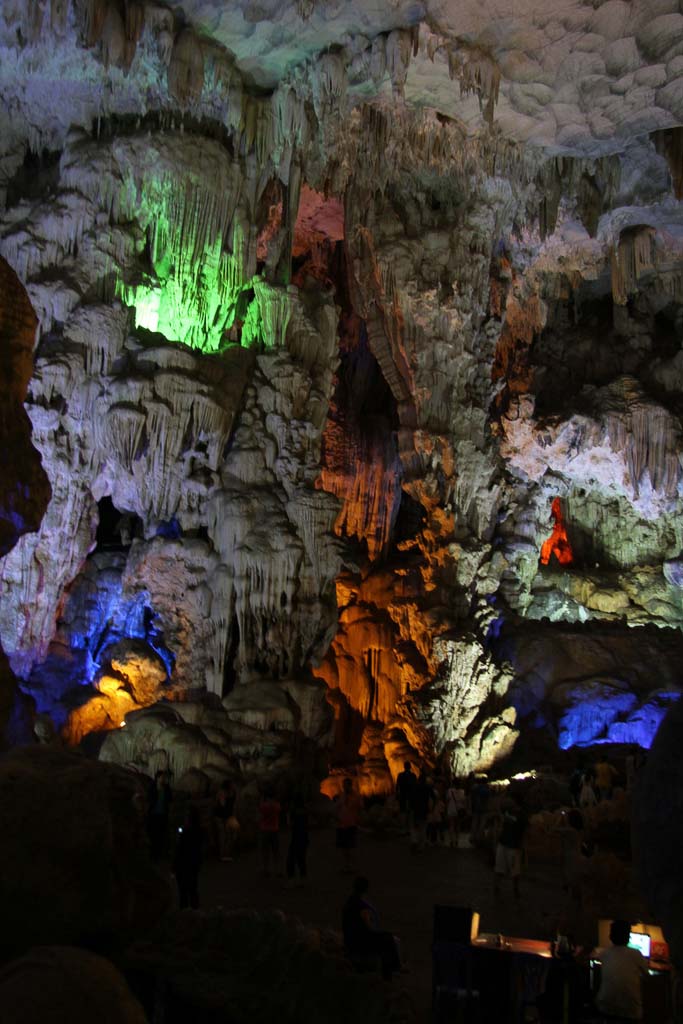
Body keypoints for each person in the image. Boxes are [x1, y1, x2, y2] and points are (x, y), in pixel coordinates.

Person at [342, 876, 402, 981]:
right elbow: (369, 928)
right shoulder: (361, 906)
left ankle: (393, 969)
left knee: (386, 938)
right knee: (388, 940)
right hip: (359, 940)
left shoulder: (350, 901)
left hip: (351, 938)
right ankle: (390, 972)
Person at [595, 919, 648, 1021]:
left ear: (610, 936)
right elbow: (646, 974)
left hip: (605, 1005)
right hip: (630, 1010)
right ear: (628, 937)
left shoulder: (605, 953)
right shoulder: (636, 954)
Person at [494, 799, 527, 900]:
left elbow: (522, 828)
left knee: (514, 870)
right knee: (500, 867)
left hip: (513, 845)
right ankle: (497, 886)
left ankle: (515, 888)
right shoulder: (508, 811)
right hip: (504, 842)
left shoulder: (522, 815)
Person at [173, 805, 203, 909]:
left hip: (183, 864)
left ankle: (185, 912)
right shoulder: (200, 830)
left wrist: (174, 866)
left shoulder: (185, 832)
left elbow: (179, 849)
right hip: (194, 863)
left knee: (183, 892)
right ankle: (195, 910)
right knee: (193, 889)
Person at [336, 777, 361, 872]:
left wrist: (358, 819)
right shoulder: (341, 796)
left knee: (351, 846)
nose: (344, 787)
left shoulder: (356, 796)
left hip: (351, 824)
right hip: (341, 824)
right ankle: (346, 865)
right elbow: (337, 807)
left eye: (345, 785)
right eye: (343, 786)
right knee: (343, 847)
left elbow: (360, 809)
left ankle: (352, 865)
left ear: (350, 786)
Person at [147, 769, 172, 861]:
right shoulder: (152, 787)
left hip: (163, 815)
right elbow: (149, 798)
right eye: (162, 777)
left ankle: (159, 854)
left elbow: (170, 799)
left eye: (164, 777)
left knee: (161, 835)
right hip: (153, 815)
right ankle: (153, 855)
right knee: (153, 835)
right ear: (157, 778)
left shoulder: (167, 788)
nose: (164, 779)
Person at [286, 790, 309, 887]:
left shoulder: (293, 811)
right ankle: (303, 879)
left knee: (291, 859)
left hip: (296, 837)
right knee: (301, 859)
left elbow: (290, 825)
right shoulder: (305, 810)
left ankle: (291, 880)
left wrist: (288, 817)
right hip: (304, 837)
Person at [258, 786, 281, 877]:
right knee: (275, 851)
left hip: (264, 830)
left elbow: (260, 813)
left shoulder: (263, 806)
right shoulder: (277, 805)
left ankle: (266, 869)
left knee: (265, 851)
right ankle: (277, 870)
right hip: (274, 830)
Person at [213, 779, 238, 862]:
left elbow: (233, 805)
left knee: (230, 835)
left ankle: (226, 853)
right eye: (232, 784)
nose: (234, 785)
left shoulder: (233, 793)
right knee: (223, 835)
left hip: (228, 816)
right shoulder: (222, 793)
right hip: (220, 816)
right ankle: (222, 855)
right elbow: (222, 805)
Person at [445, 779, 467, 848]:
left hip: (451, 809)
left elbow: (447, 801)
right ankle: (457, 840)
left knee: (451, 825)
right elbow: (464, 801)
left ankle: (452, 840)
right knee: (458, 826)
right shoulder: (462, 791)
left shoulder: (449, 791)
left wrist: (446, 809)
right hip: (459, 810)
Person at [395, 761, 417, 830]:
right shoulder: (413, 776)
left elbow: (397, 785)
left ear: (404, 767)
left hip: (404, 795)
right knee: (410, 811)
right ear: (410, 767)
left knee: (403, 811)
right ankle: (409, 826)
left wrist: (397, 794)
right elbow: (415, 786)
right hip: (410, 796)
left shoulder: (400, 775)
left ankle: (405, 827)